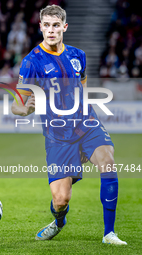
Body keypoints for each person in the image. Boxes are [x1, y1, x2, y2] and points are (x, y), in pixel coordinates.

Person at [11, 5, 127, 245]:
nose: (51, 30)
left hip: (86, 123)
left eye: (56, 25)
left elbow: (82, 86)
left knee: (107, 161)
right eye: (47, 25)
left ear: (64, 27)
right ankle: (59, 221)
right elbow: (16, 106)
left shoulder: (78, 55)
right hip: (58, 135)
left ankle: (109, 233)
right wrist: (27, 108)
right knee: (61, 200)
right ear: (40, 27)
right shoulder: (31, 62)